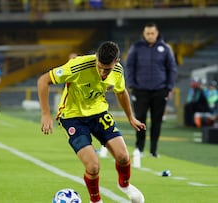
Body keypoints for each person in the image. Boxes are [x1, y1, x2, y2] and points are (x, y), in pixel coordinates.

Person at [37, 41, 145, 203]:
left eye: (106, 69)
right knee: (93, 167)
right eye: (99, 67)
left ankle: (125, 185)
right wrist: (46, 114)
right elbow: (43, 81)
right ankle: (95, 200)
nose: (102, 72)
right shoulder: (77, 66)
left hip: (99, 113)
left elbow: (121, 92)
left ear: (116, 62)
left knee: (123, 156)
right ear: (95, 58)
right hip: (72, 117)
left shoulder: (117, 71)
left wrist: (130, 117)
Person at [125, 22, 177, 157]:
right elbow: (129, 66)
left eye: (152, 33)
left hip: (160, 90)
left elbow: (171, 68)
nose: (150, 35)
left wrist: (169, 88)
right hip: (140, 90)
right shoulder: (136, 48)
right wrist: (132, 85)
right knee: (140, 120)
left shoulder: (165, 48)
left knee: (157, 121)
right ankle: (139, 148)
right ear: (143, 34)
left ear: (157, 33)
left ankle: (154, 150)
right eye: (147, 33)